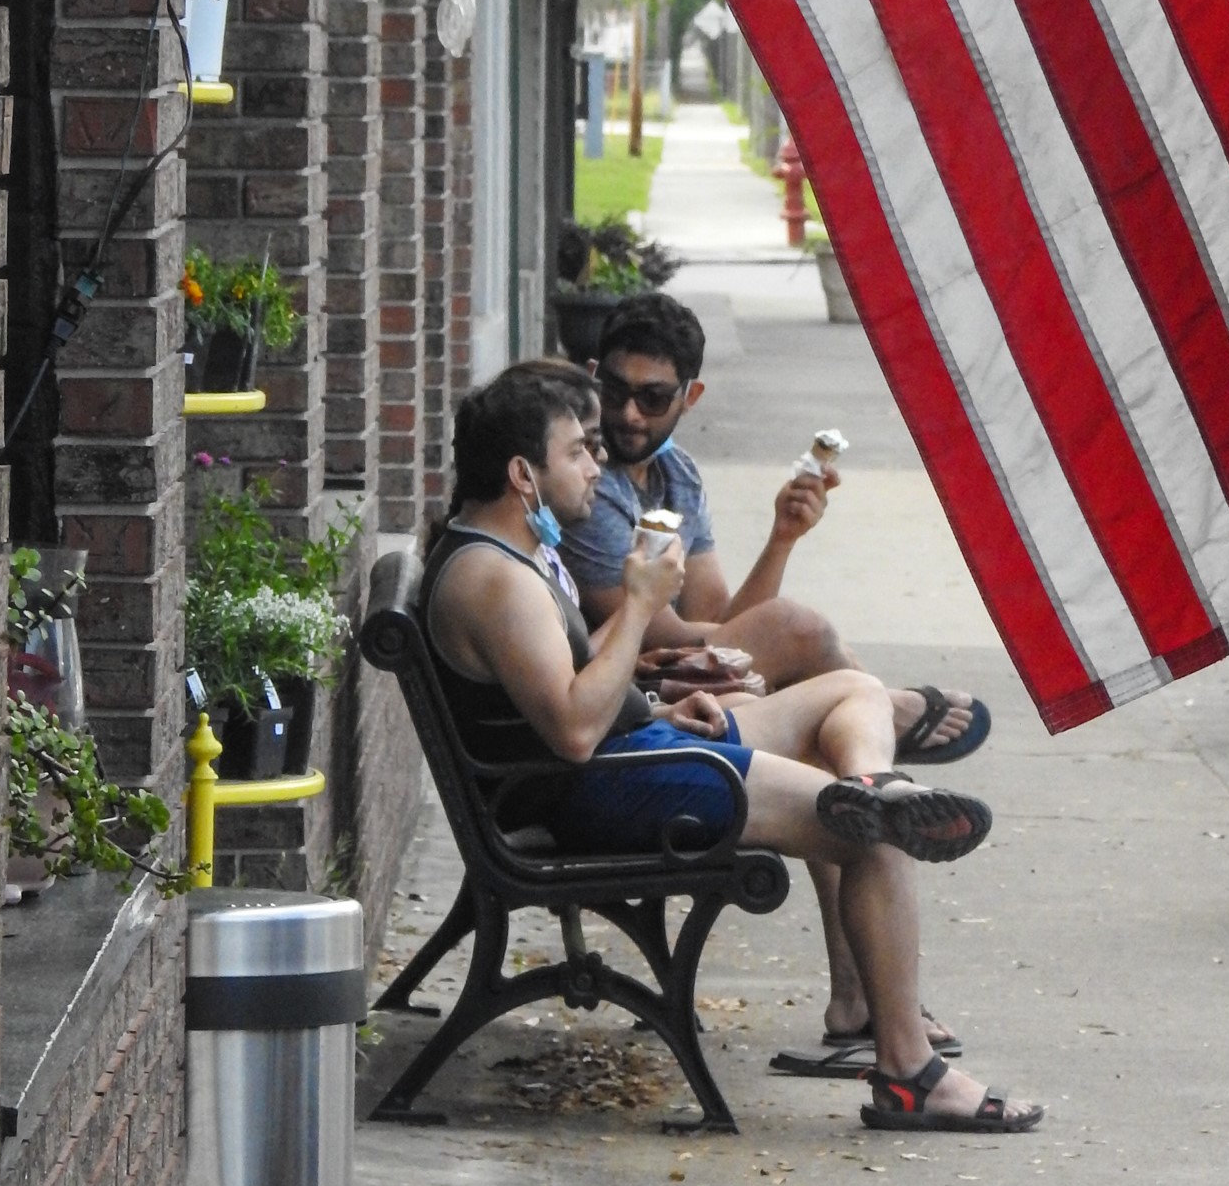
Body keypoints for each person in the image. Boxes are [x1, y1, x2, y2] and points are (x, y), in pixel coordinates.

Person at [421, 366, 1042, 1134]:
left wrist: (659, 705)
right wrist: (644, 602)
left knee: (854, 692)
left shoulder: (499, 550)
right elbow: (575, 731)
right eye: (578, 451)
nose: (595, 465)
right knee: (879, 834)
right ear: (523, 474)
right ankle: (910, 1072)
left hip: (628, 755)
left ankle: (875, 780)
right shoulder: (495, 580)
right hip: (607, 789)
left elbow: (578, 694)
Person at [558, 293, 988, 767]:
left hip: (679, 681)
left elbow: (719, 618)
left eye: (653, 397)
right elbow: (668, 641)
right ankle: (880, 710)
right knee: (797, 630)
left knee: (800, 652)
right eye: (614, 392)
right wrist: (788, 637)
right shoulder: (585, 484)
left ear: (690, 397)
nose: (630, 414)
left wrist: (781, 540)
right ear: (593, 375)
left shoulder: (676, 472)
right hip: (627, 695)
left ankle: (872, 755)